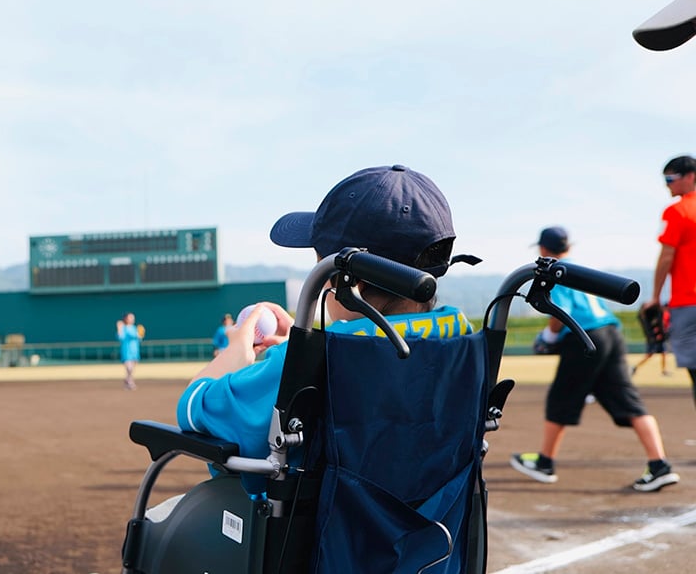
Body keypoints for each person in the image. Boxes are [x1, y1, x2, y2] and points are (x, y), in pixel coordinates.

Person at [176, 164, 474, 494]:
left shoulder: (322, 357)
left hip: (326, 524)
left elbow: (192, 410)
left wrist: (233, 355)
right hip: (430, 519)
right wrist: (302, 347)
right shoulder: (463, 338)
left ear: (350, 281)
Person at [510, 227, 679, 492]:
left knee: (561, 397)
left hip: (584, 336)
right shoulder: (580, 269)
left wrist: (549, 337)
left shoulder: (554, 271)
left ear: (543, 249)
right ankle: (659, 465)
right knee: (628, 401)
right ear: (568, 246)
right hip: (611, 333)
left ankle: (544, 462)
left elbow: (559, 310)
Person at [642, 155, 696, 408]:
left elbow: (666, 257)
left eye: (671, 179)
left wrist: (655, 296)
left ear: (691, 176)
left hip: (688, 301)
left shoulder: (677, 211)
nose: (667, 185)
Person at [632, 305, 671, 377]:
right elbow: (656, 326)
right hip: (654, 339)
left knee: (663, 353)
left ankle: (664, 371)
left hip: (659, 338)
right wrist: (657, 334)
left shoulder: (659, 315)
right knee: (649, 355)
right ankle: (635, 367)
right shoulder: (655, 316)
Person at [116, 312, 144, 390]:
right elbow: (120, 337)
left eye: (133, 318)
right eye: (130, 317)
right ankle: (130, 382)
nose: (132, 319)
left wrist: (140, 335)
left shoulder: (134, 328)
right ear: (126, 319)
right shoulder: (123, 327)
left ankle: (127, 380)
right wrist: (119, 328)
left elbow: (139, 338)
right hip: (127, 350)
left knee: (132, 367)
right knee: (129, 367)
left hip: (135, 350)